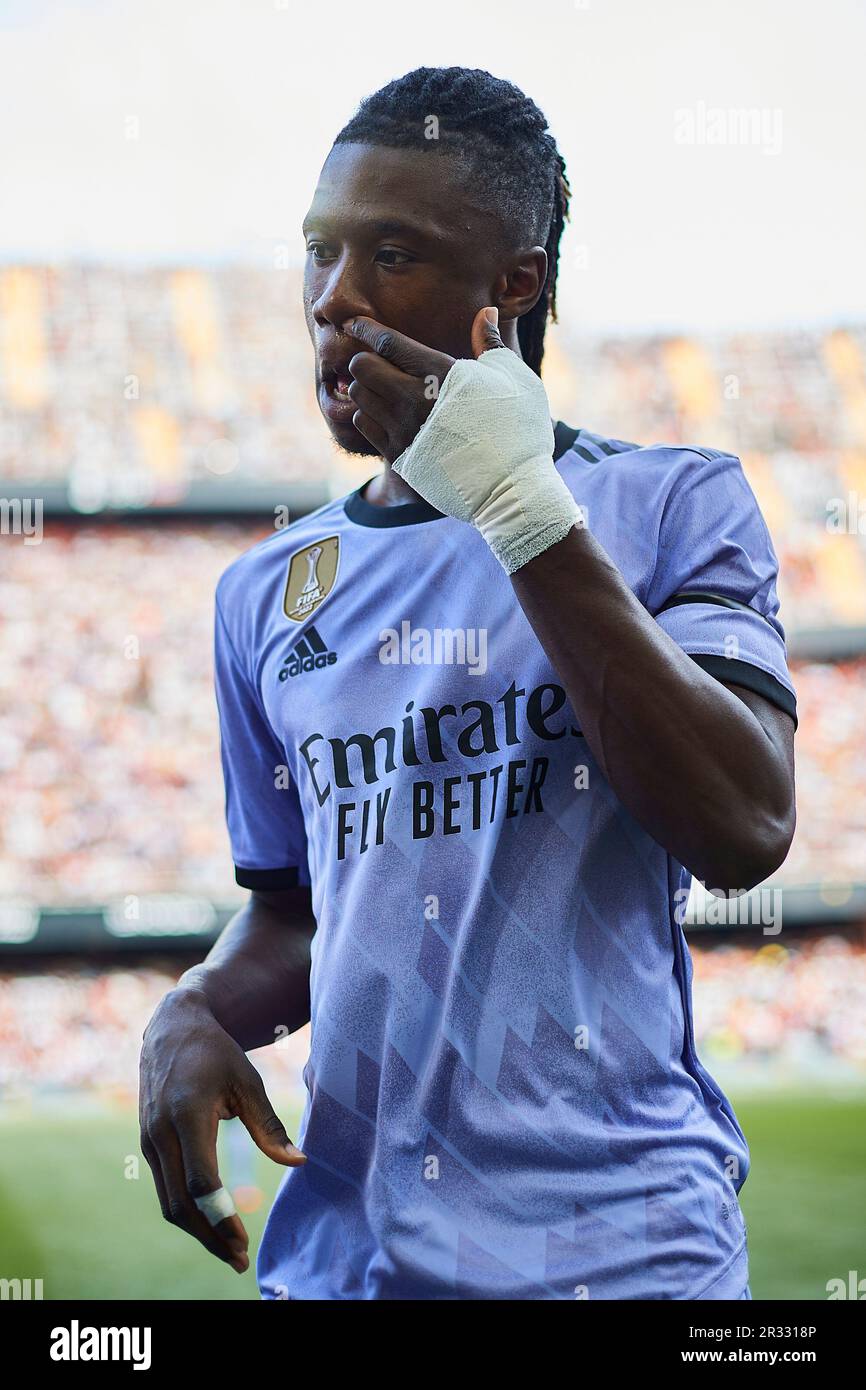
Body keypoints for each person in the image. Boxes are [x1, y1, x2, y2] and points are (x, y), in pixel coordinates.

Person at [140, 66, 797, 1300]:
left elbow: (745, 823)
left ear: (515, 285)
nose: (332, 299)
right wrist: (196, 1006)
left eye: (390, 255)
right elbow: (295, 909)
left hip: (626, 1262)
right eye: (317, 254)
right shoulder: (263, 592)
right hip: (348, 1272)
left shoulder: (671, 504)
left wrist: (510, 504)